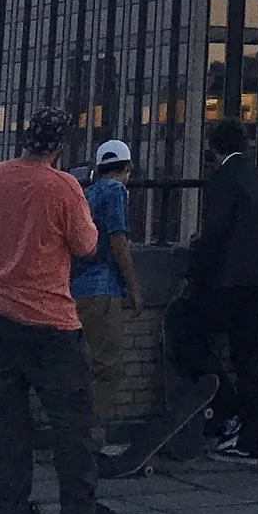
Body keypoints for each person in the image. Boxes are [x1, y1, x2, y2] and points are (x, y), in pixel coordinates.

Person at [0, 107, 120, 514]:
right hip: (51, 321)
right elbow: (88, 244)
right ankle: (79, 510)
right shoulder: (63, 186)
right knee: (71, 421)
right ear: (60, 146)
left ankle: (11, 511)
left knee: (9, 419)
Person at [174, 118, 258, 462]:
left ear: (214, 147)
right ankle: (252, 432)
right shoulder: (256, 177)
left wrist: (193, 274)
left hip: (222, 282)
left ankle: (227, 411)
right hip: (253, 278)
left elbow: (215, 235)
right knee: (247, 356)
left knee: (186, 339)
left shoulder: (223, 179)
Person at [69, 139, 143, 454]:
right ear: (128, 169)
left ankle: (75, 432)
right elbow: (118, 243)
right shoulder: (115, 192)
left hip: (77, 288)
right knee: (107, 366)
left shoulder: (86, 193)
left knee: (83, 365)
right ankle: (91, 436)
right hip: (103, 290)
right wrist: (134, 288)